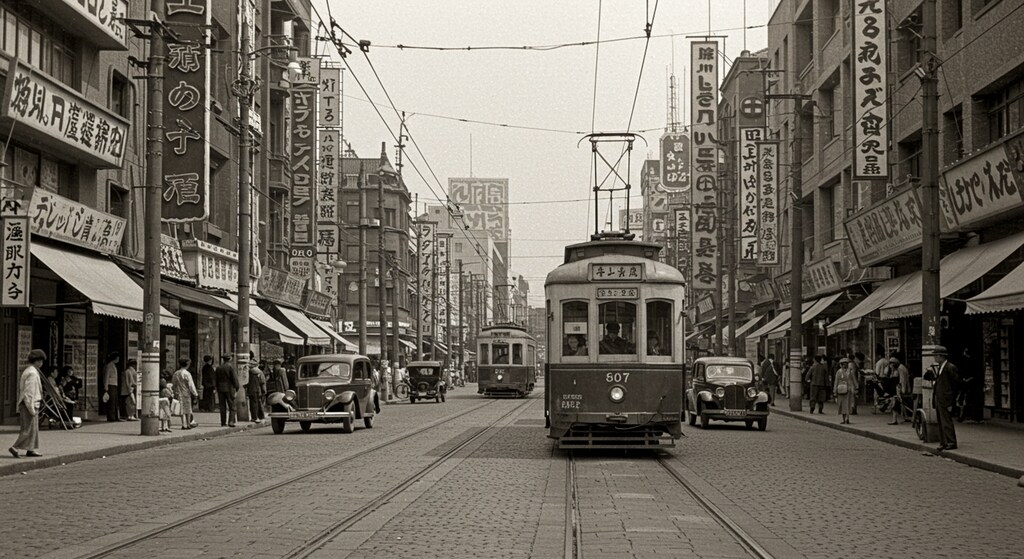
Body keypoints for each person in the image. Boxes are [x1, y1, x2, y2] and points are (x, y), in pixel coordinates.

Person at [10, 350, 46, 458]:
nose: (41, 363)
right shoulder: (33, 373)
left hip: (30, 404)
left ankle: (31, 449)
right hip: (29, 404)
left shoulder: (30, 371)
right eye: (40, 361)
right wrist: (30, 408)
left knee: (33, 429)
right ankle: (15, 447)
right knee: (28, 428)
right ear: (36, 361)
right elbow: (29, 392)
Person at [925, 346, 960, 451]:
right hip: (940, 398)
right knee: (941, 421)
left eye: (936, 355)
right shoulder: (940, 367)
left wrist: (951, 402)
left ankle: (951, 442)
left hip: (946, 399)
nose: (935, 358)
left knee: (946, 422)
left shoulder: (950, 367)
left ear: (941, 356)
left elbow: (955, 386)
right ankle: (943, 441)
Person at [172, 358, 198, 429]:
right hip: (186, 393)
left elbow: (173, 384)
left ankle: (183, 424)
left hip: (178, 393)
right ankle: (188, 423)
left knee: (182, 409)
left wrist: (174, 391)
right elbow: (191, 385)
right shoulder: (187, 374)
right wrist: (195, 394)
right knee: (188, 409)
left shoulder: (176, 373)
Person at [215, 354, 240, 427]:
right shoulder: (230, 367)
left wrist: (216, 387)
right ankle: (231, 421)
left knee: (222, 406)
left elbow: (216, 379)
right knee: (232, 406)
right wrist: (237, 387)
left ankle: (223, 422)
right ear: (229, 359)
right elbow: (234, 378)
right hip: (229, 388)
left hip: (220, 388)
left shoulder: (218, 367)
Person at [833, 357, 857, 424]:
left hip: (848, 390)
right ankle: (844, 419)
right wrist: (835, 391)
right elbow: (836, 381)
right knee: (841, 405)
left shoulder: (850, 372)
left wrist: (856, 388)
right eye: (843, 364)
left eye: (846, 364)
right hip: (840, 390)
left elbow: (854, 380)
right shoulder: (839, 372)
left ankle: (847, 418)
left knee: (847, 404)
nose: (844, 365)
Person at [246, 358, 267, 425]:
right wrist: (264, 391)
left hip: (250, 389)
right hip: (258, 389)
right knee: (259, 403)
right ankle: (260, 416)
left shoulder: (249, 372)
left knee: (252, 404)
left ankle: (254, 417)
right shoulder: (259, 372)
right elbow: (262, 382)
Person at [103, 351, 122, 421]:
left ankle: (116, 416)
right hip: (110, 385)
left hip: (114, 385)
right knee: (111, 402)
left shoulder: (114, 366)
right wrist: (106, 387)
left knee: (115, 402)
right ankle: (111, 417)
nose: (118, 359)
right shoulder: (109, 366)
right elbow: (106, 377)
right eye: (117, 358)